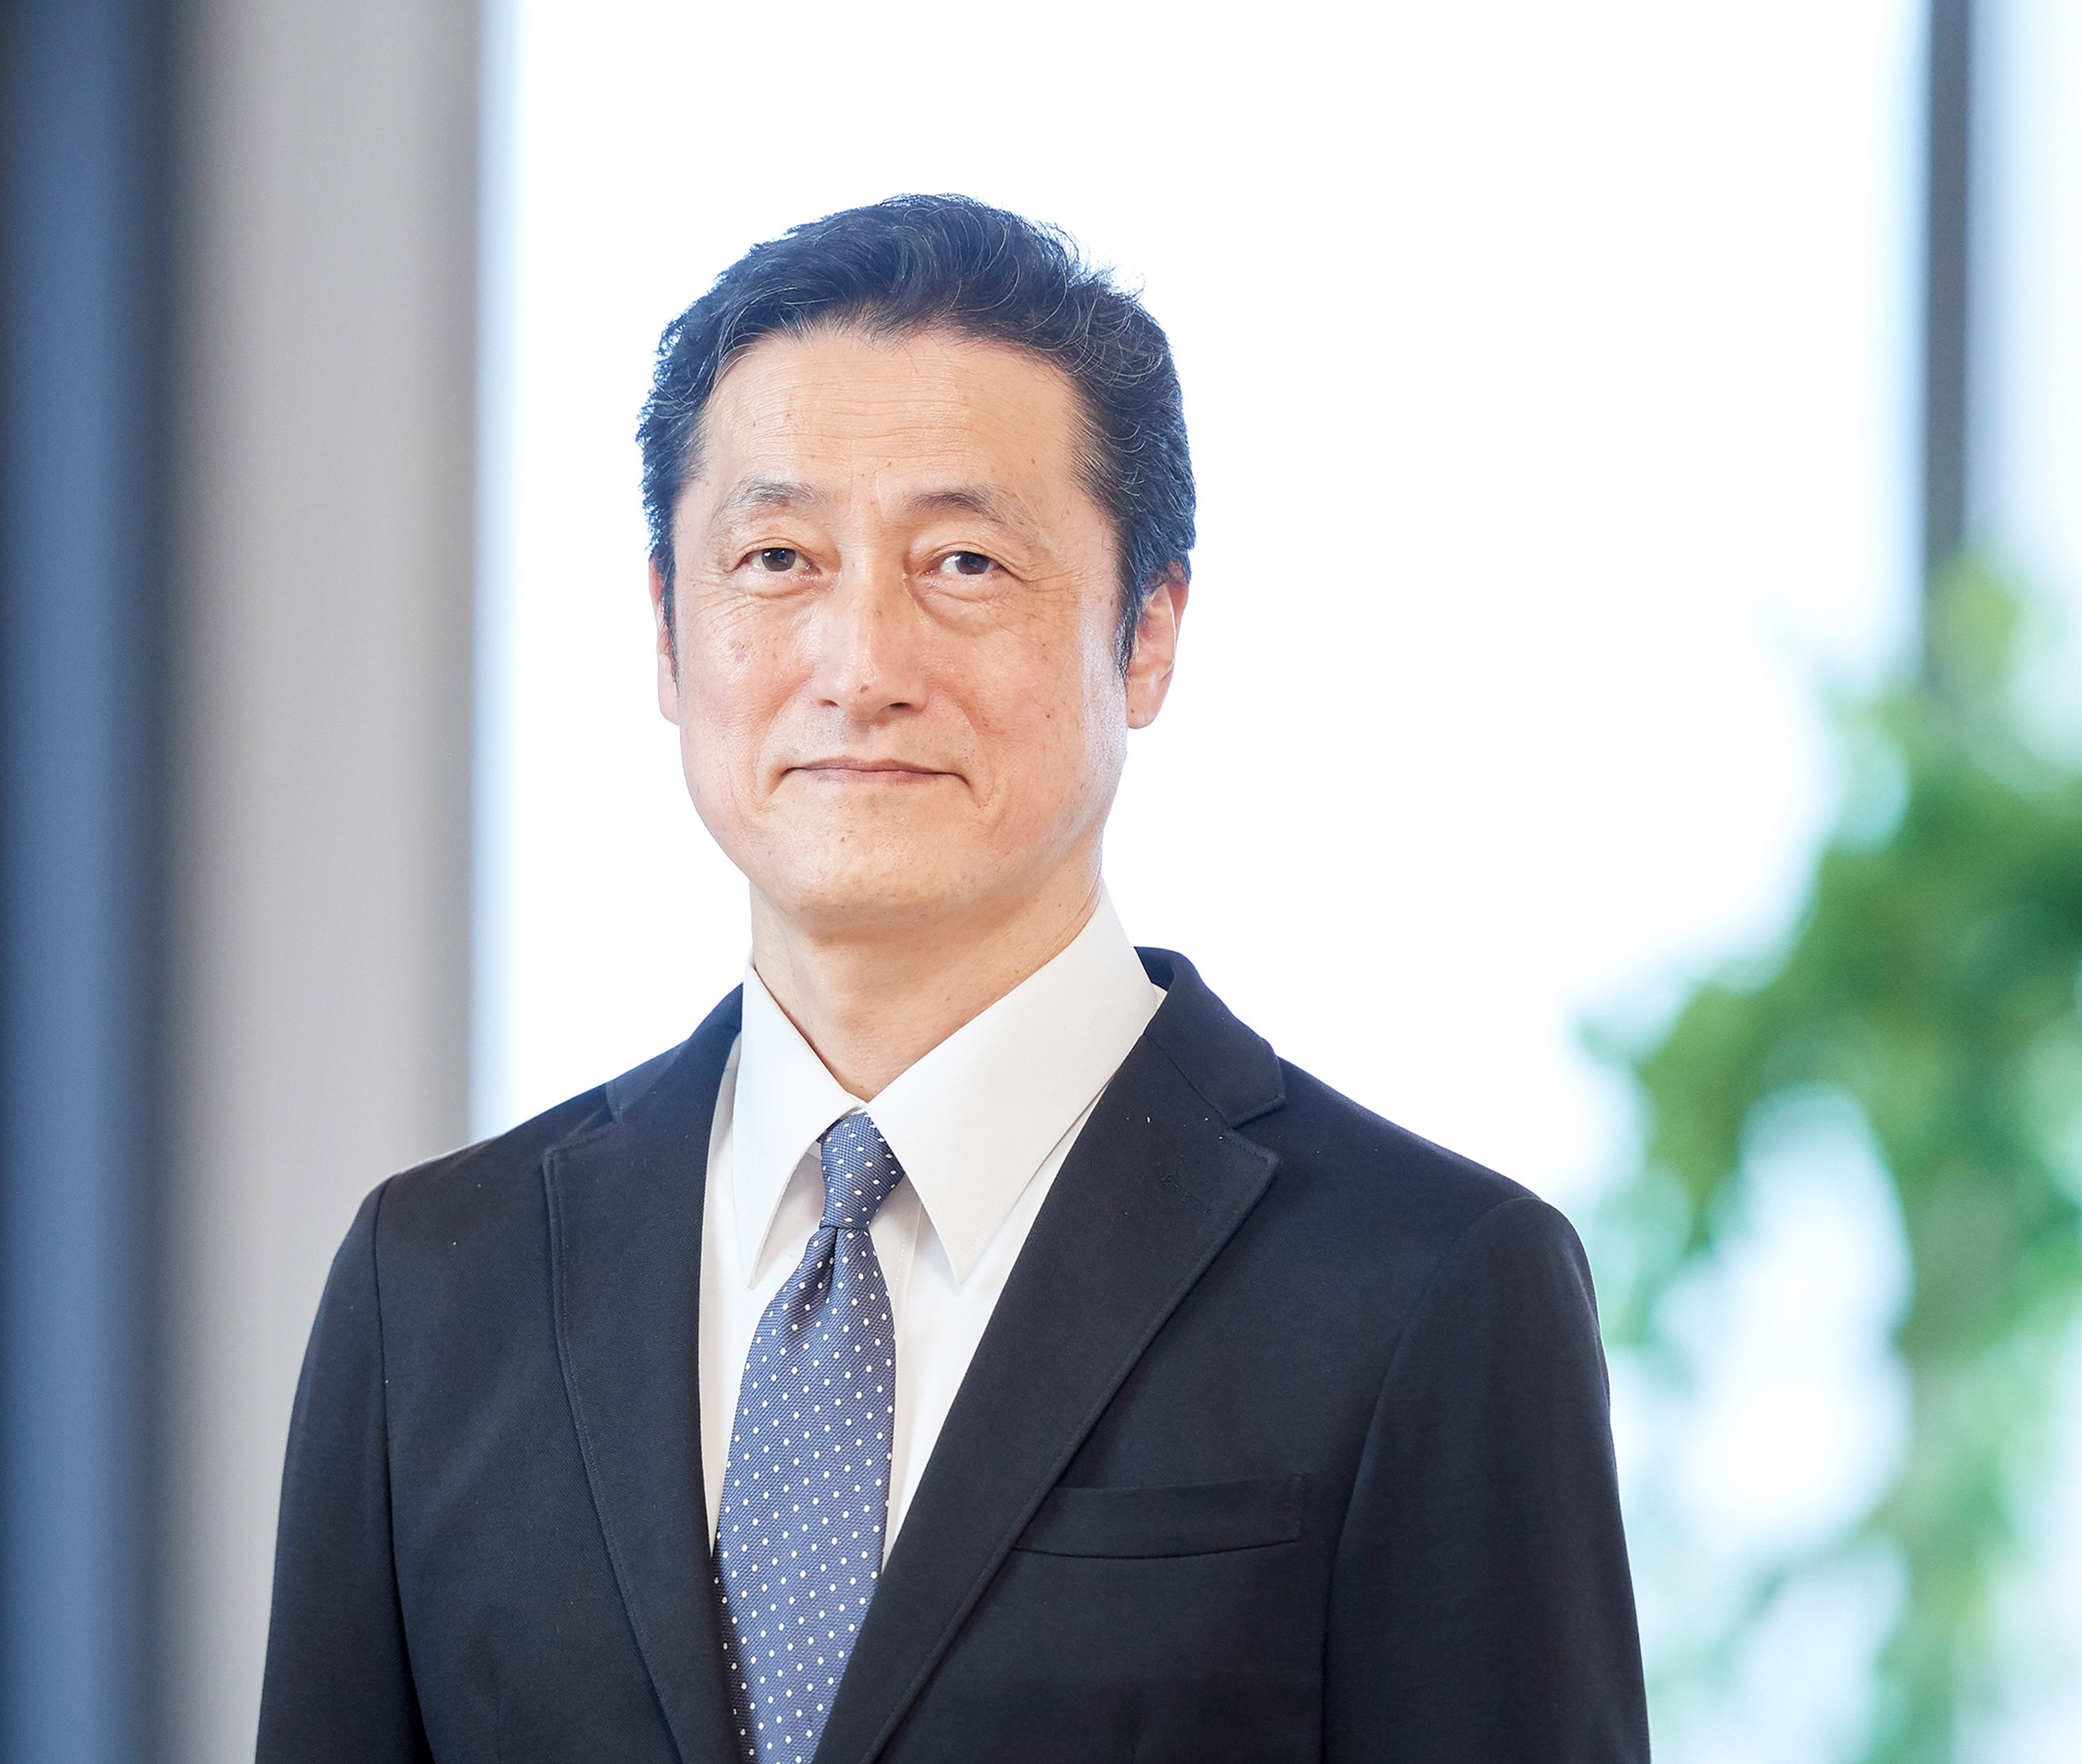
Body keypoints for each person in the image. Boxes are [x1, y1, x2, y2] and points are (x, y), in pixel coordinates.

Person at [258, 194, 1647, 1763]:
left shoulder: (1428, 1290)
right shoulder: (438, 1289)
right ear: (666, 629)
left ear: (1148, 635)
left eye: (966, 561)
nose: (861, 663)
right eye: (776, 558)